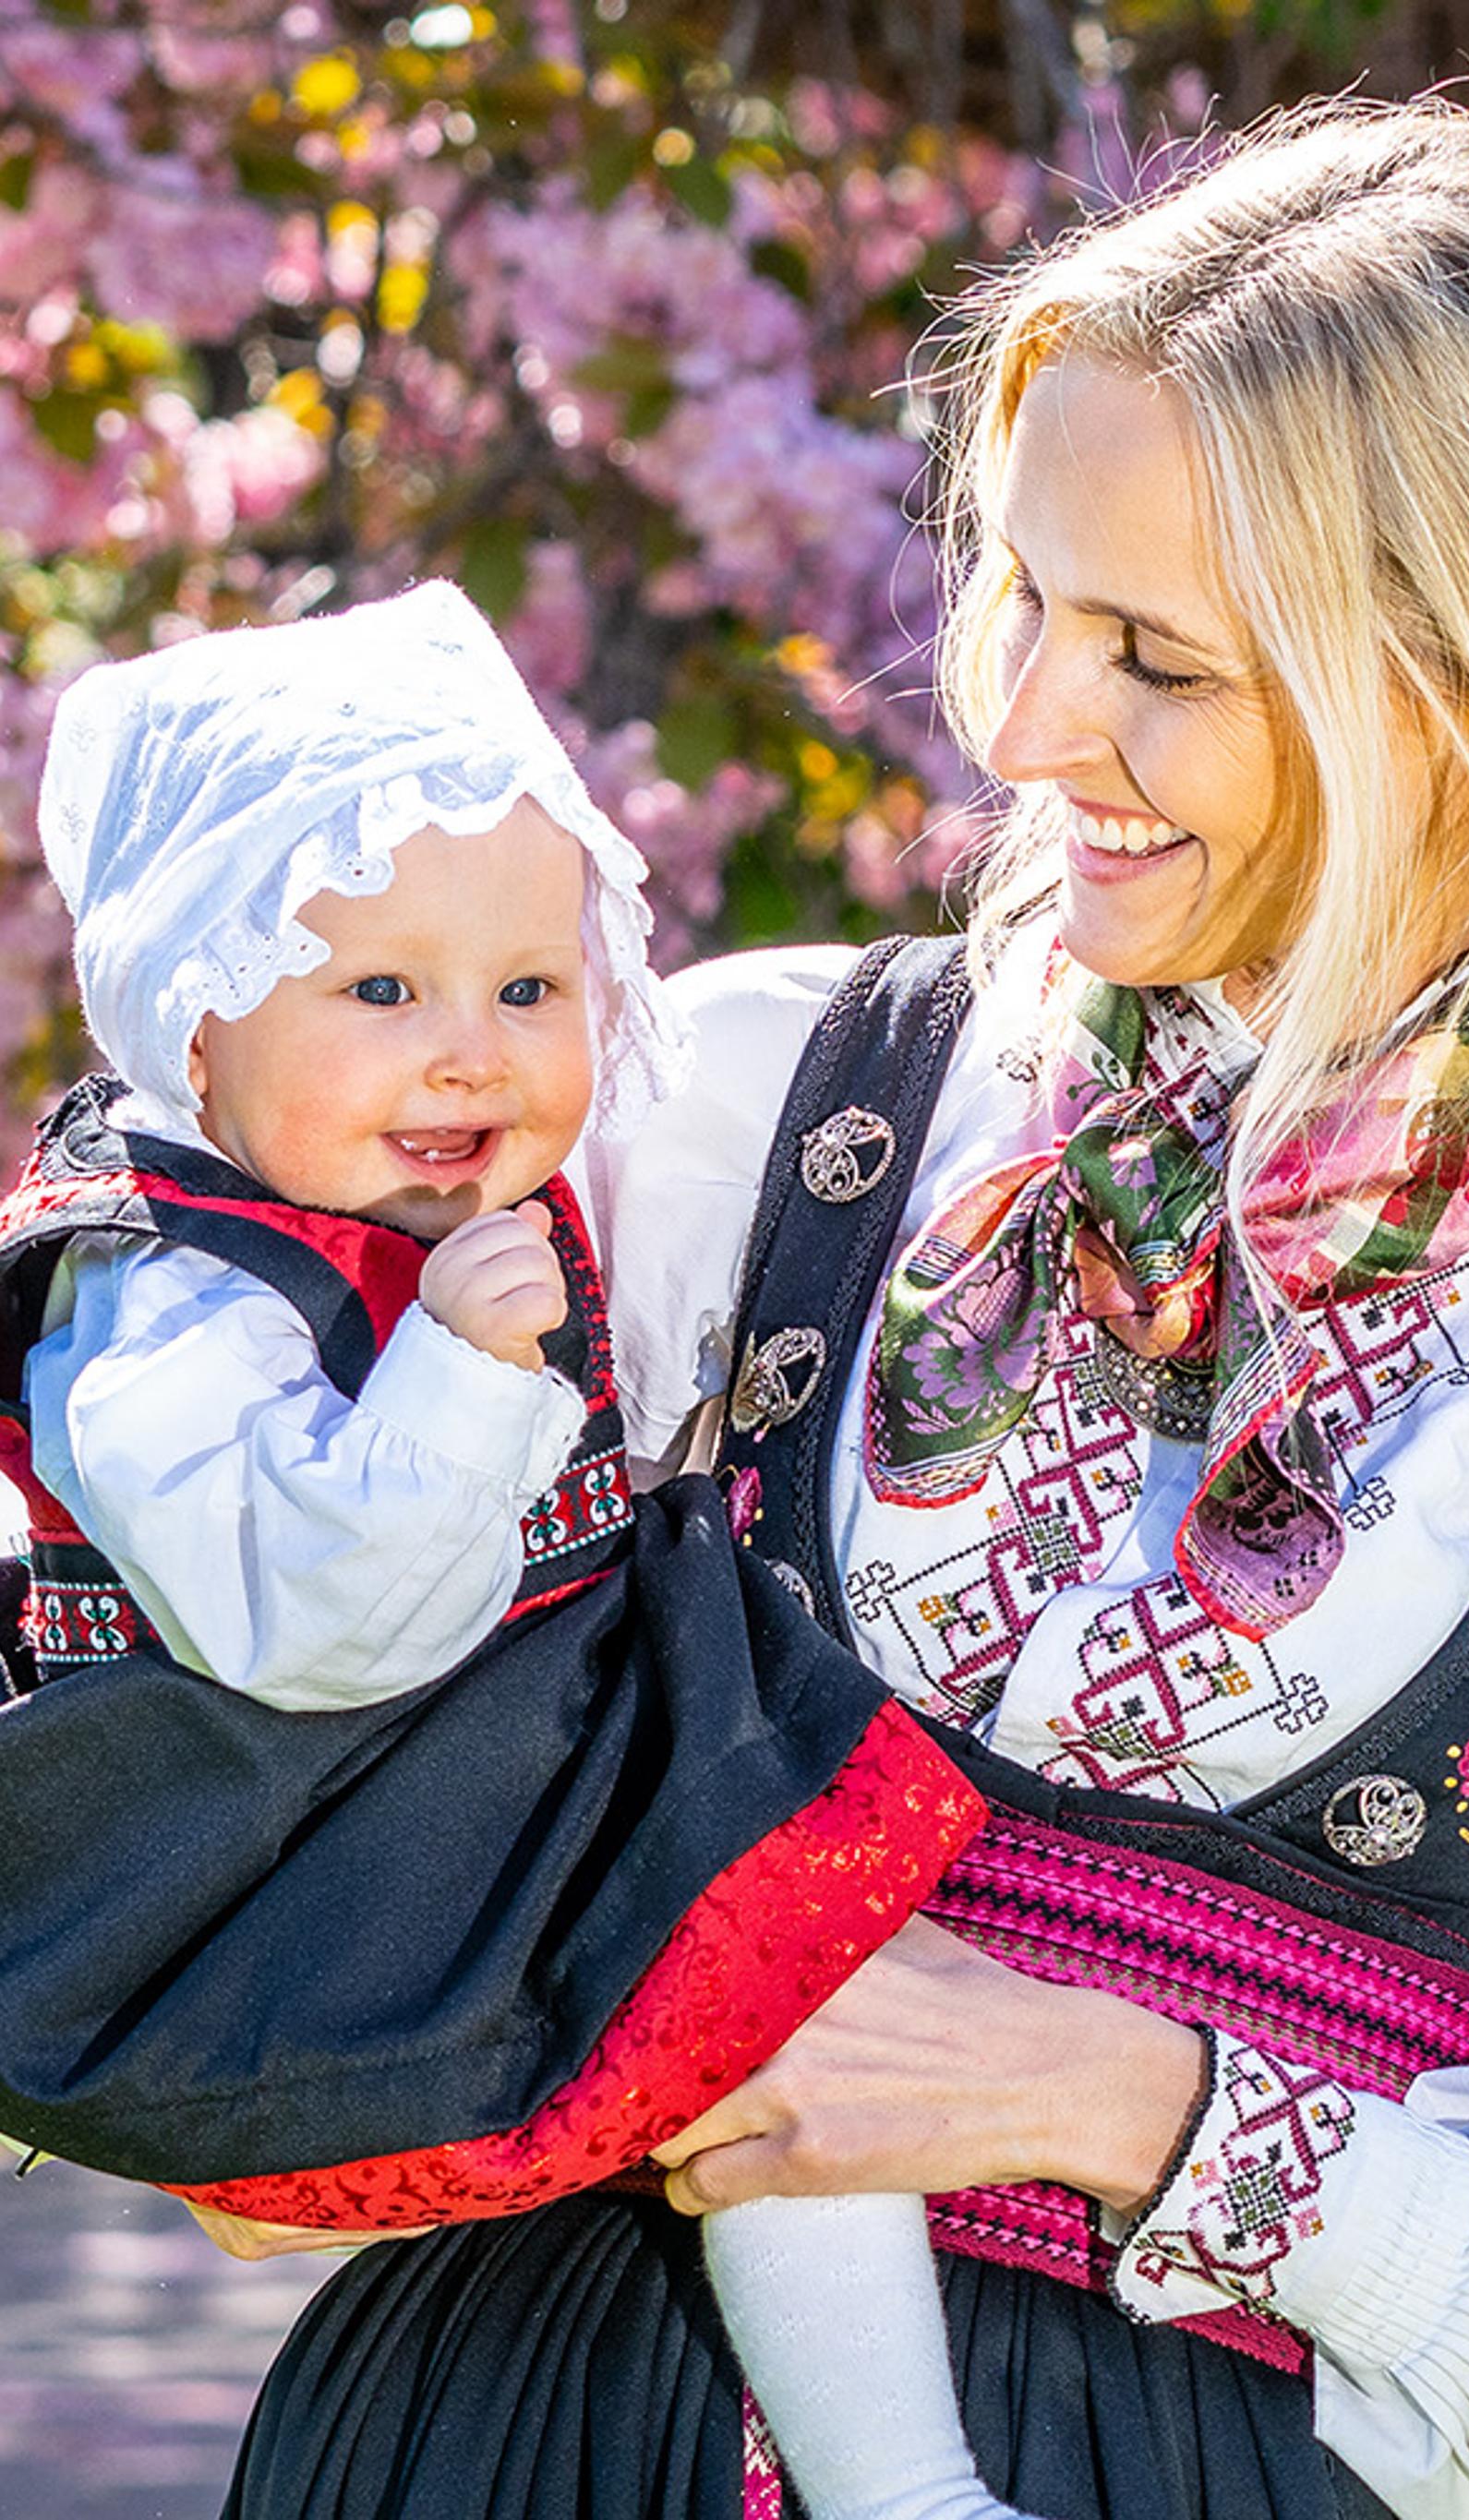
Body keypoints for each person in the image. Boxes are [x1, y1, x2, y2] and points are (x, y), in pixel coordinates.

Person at [13, 90, 1469, 2520]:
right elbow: (191, 1516)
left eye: (1154, 658)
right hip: (498, 2436)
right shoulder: (751, 1100)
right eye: (1024, 597)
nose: (1017, 728)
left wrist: (1127, 2099)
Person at [0, 578, 1062, 2520]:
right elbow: (318, 1627)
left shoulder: (477, 1209)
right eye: (382, 992)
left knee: (795, 1966)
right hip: (293, 1838)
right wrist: (466, 1380)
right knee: (764, 1972)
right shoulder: (161, 1304)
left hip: (482, 1783)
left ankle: (897, 2480)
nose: (470, 1054)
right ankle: (896, 2481)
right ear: (194, 1021)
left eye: (526, 986)